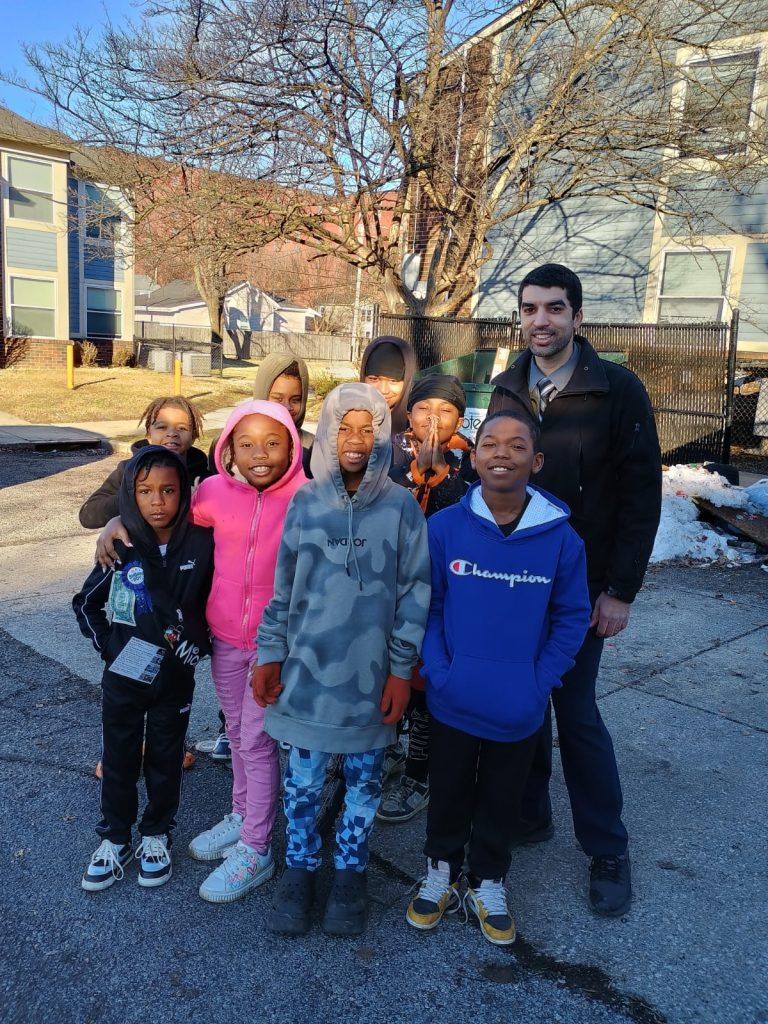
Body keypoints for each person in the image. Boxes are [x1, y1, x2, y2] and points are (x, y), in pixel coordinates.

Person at [487, 263, 662, 917]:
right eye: (530, 309)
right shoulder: (507, 387)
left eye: (554, 308)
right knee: (523, 703)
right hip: (515, 582)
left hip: (581, 591)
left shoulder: (616, 390)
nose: (541, 321)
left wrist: (621, 590)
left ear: (577, 317)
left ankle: (607, 848)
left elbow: (642, 497)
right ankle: (530, 813)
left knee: (576, 712)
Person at [95, 401, 307, 903]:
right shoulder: (210, 492)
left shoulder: (306, 499)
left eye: (273, 443)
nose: (260, 454)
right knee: (236, 735)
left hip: (275, 646)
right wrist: (114, 523)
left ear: (293, 447)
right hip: (225, 641)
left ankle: (256, 847)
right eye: (246, 444)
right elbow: (160, 520)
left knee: (257, 741)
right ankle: (242, 814)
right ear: (227, 449)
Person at [252, 383, 431, 937]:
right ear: (327, 434)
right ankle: (300, 868)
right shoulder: (305, 503)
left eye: (367, 429)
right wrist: (269, 653)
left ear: (383, 436)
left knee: (364, 784)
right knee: (302, 785)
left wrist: (401, 669)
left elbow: (415, 593)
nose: (355, 440)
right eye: (343, 428)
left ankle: (351, 871)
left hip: (370, 682)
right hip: (306, 677)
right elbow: (283, 586)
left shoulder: (402, 507)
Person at [406, 409, 590, 944]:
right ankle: (441, 871)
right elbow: (428, 606)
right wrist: (439, 670)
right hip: (452, 697)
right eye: (489, 443)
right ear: (474, 455)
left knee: (502, 797)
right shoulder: (444, 529)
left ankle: (488, 880)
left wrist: (539, 681)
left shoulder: (562, 540)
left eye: (516, 445)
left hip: (519, 704)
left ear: (537, 460)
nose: (501, 453)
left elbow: (572, 617)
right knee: (448, 790)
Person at [73, 447, 214, 891]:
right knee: (119, 758)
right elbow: (86, 603)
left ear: (184, 493)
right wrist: (109, 649)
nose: (157, 501)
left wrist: (201, 643)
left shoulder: (203, 544)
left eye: (168, 490)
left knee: (166, 760)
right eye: (145, 491)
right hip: (124, 678)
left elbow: (216, 601)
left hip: (176, 678)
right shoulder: (121, 544)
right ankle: (115, 838)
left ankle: (156, 834)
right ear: (131, 495)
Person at [377, 373, 475, 824]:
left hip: (443, 595)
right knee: (387, 675)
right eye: (423, 408)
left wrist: (444, 477)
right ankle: (387, 752)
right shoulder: (389, 452)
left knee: (423, 684)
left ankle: (419, 771)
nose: (433, 418)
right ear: (409, 412)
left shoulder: (471, 459)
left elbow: (472, 514)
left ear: (460, 418)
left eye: (446, 410)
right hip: (391, 590)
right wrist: (413, 476)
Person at [79, 396, 211, 529]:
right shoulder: (129, 470)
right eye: (162, 427)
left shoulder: (206, 476)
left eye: (182, 428)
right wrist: (133, 497)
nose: (172, 433)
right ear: (148, 435)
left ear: (193, 436)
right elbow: (88, 515)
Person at [360, 334, 417, 433]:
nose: (383, 390)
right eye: (374, 379)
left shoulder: (419, 428)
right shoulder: (344, 420)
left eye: (393, 381)